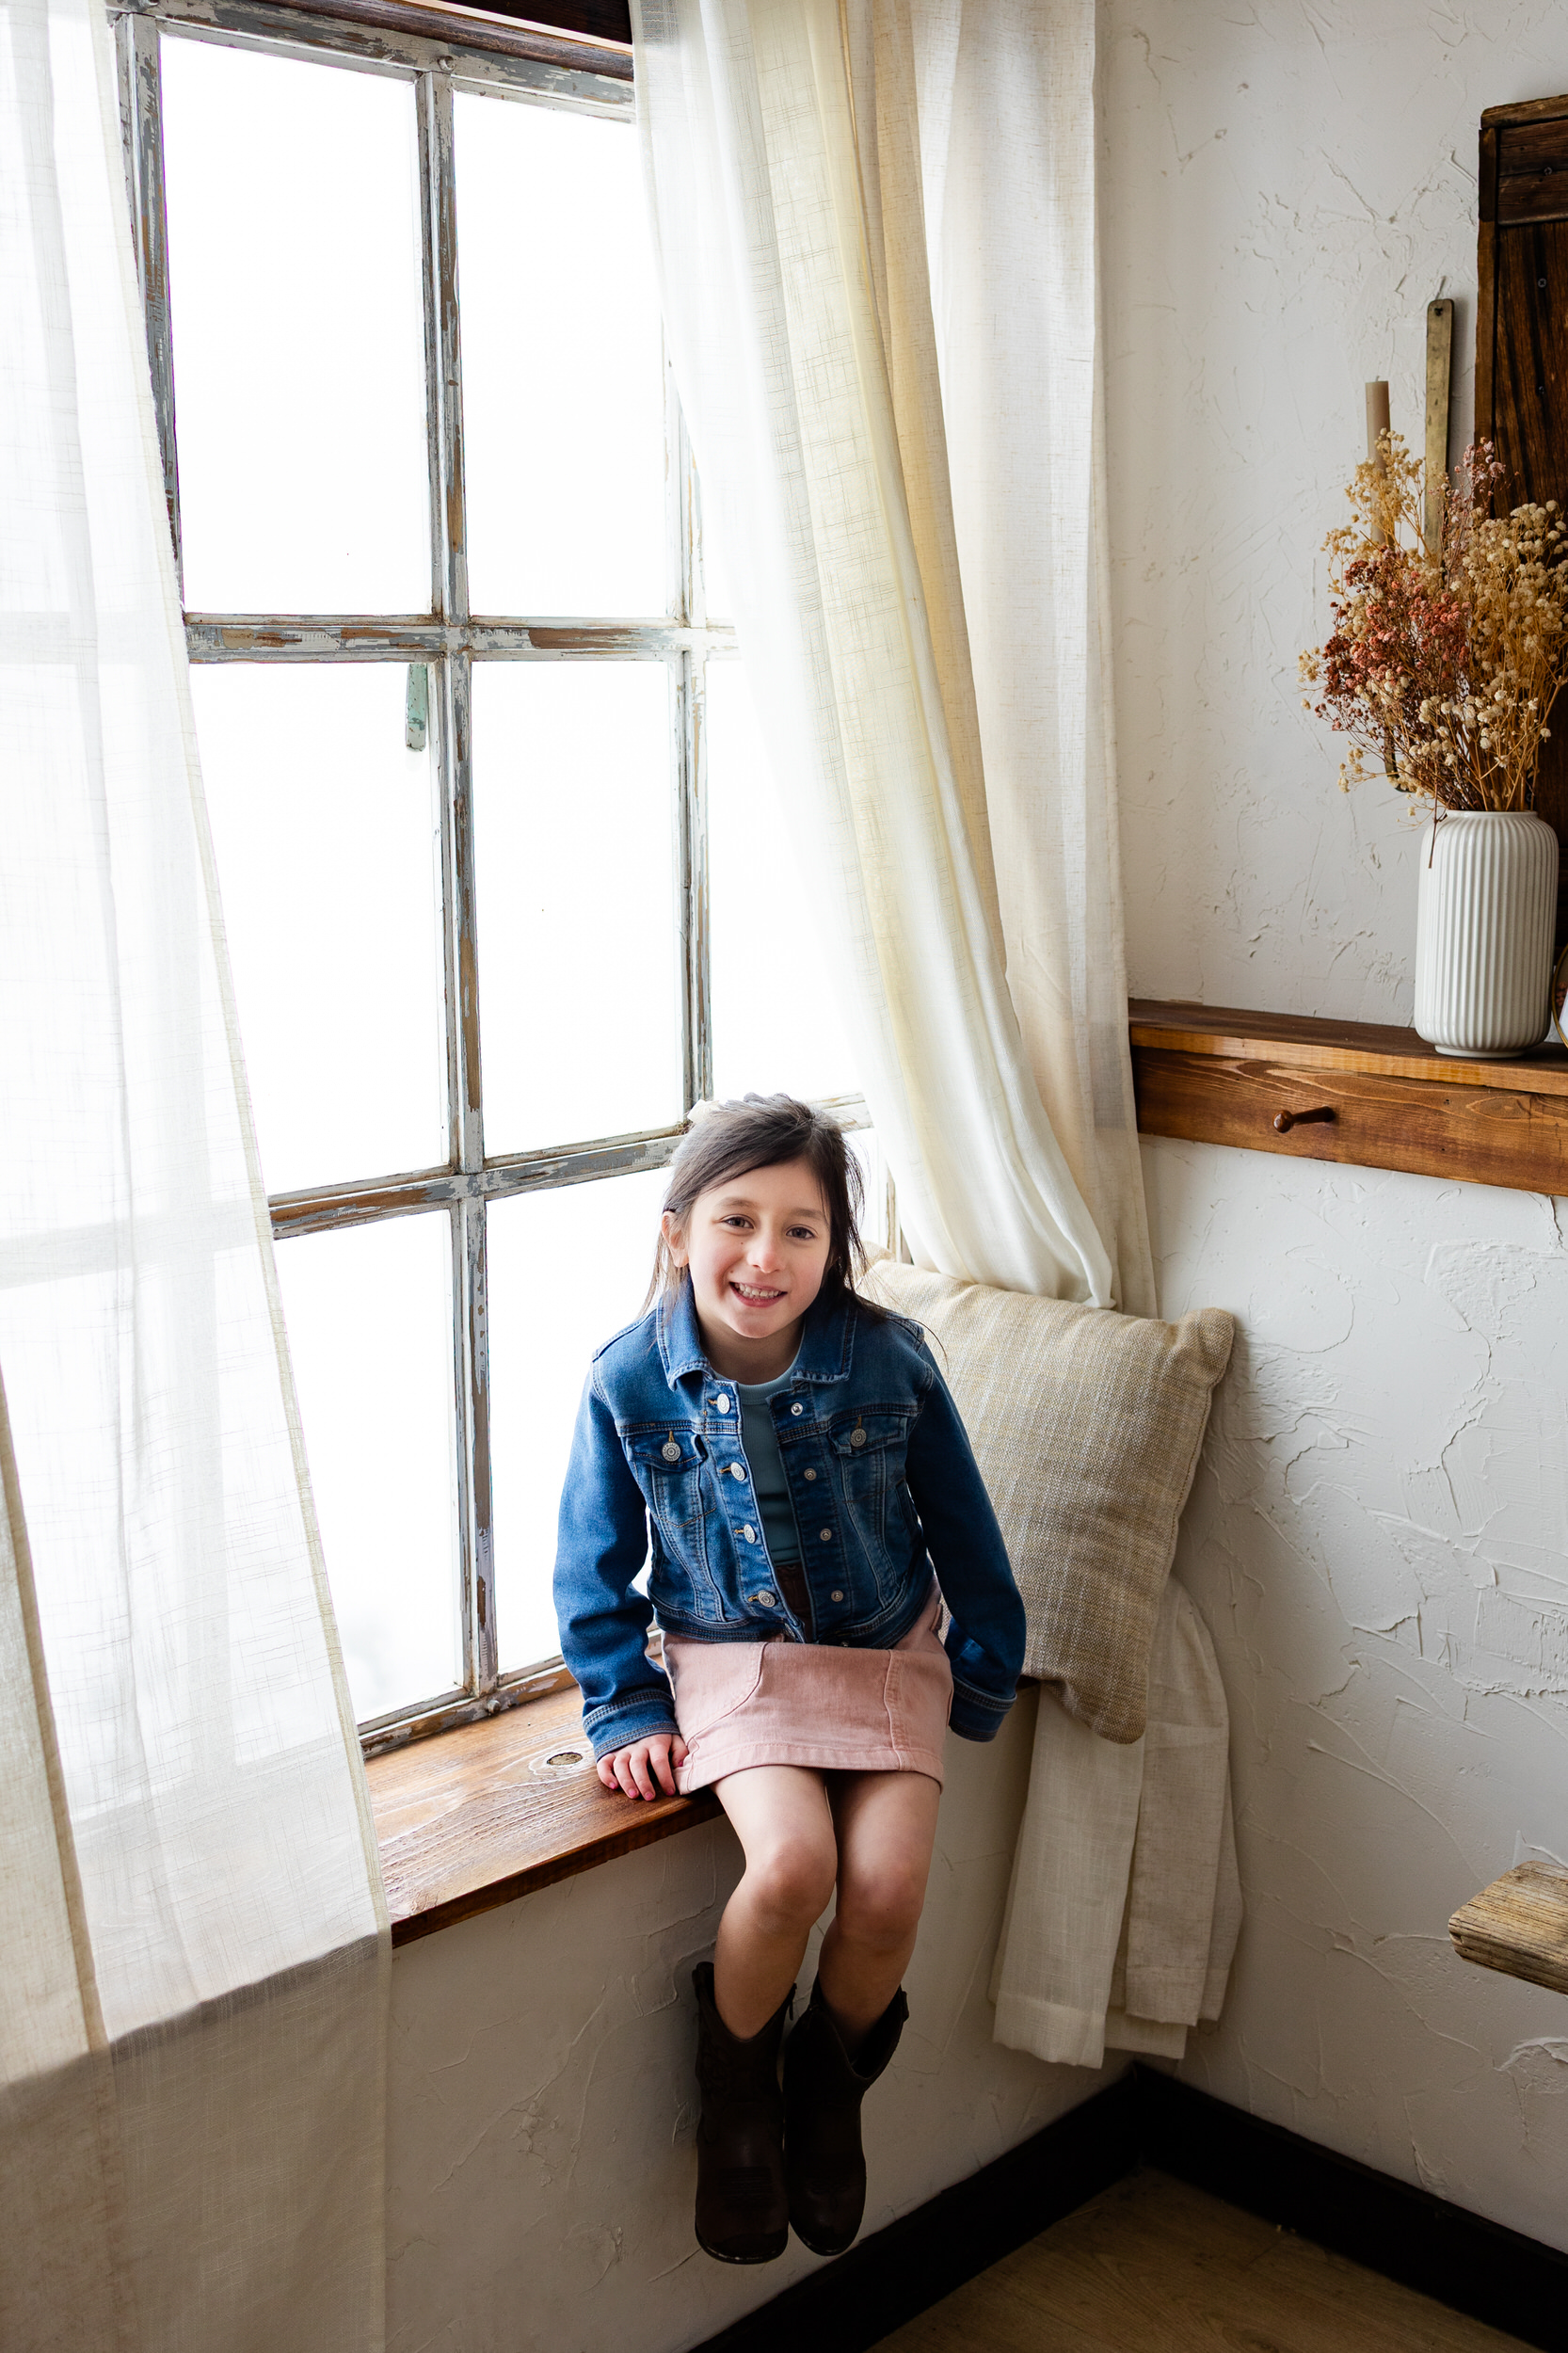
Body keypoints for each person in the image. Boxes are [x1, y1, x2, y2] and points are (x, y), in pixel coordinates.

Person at [553, 1095, 1024, 2265]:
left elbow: (965, 1528)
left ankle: (829, 2082)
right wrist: (622, 1702)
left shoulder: (889, 1358)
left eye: (800, 1230)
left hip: (880, 1647)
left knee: (888, 1884)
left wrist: (980, 1667)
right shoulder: (626, 1379)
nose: (764, 1257)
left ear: (834, 1246)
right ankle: (739, 2098)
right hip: (732, 1658)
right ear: (678, 1232)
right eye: (736, 1220)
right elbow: (591, 1561)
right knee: (794, 1867)